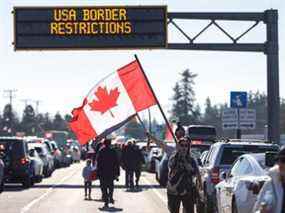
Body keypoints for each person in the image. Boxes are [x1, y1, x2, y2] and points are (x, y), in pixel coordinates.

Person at [148, 133, 202, 213]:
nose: (184, 147)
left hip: (187, 190)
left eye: (186, 146)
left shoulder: (192, 158)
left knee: (189, 210)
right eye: (182, 145)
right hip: (173, 190)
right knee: (173, 210)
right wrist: (151, 137)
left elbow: (197, 173)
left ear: (188, 147)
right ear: (178, 146)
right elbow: (161, 144)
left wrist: (199, 186)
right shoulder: (172, 153)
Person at [253, 146, 285, 213]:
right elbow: (257, 209)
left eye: (283, 160)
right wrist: (261, 211)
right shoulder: (271, 183)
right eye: (277, 160)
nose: (280, 164)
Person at [97, 138, 120, 208]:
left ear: (104, 144)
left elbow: (98, 162)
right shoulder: (113, 151)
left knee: (103, 187)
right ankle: (110, 196)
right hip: (111, 172)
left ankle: (106, 200)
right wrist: (117, 173)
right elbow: (117, 162)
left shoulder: (101, 151)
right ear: (110, 144)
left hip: (103, 172)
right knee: (110, 186)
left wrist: (98, 172)